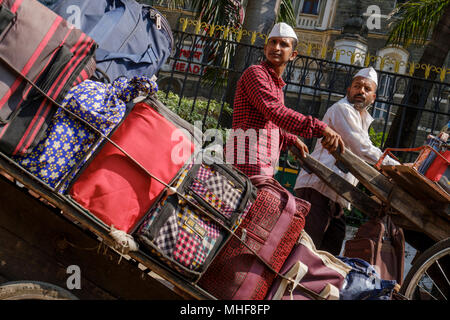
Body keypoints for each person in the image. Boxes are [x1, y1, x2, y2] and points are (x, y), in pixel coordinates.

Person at [293, 67, 400, 255]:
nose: (361, 91)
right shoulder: (342, 109)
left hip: (337, 197)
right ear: (348, 90)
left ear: (373, 97)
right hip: (317, 189)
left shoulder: (362, 120)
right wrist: (397, 168)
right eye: (357, 86)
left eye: (367, 89)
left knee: (327, 257)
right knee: (303, 252)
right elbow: (362, 148)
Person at [225, 22, 344, 178]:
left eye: (283, 44)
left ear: (293, 55)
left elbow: (271, 123)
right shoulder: (256, 73)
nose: (276, 47)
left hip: (261, 163)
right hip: (246, 159)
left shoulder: (276, 86)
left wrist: (290, 139)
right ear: (265, 48)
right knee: (282, 203)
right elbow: (275, 112)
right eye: (273, 42)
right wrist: (320, 128)